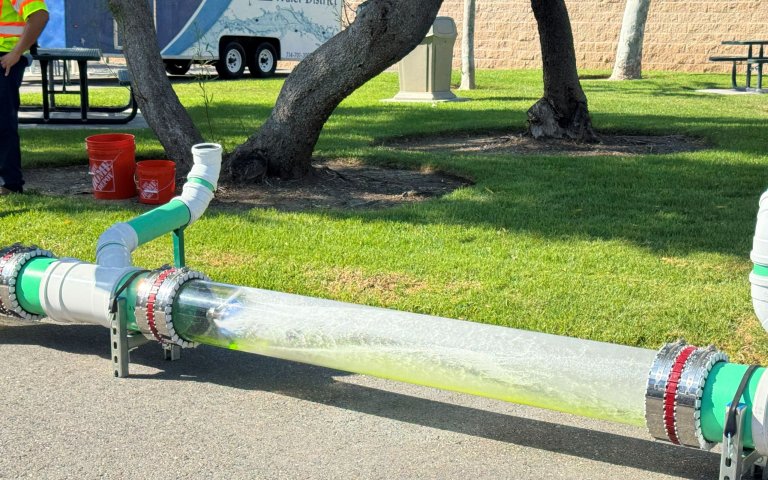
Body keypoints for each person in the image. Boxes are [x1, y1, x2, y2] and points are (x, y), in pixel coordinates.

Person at [0, 0, 48, 195]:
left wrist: (16, 53)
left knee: (3, 122)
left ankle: (10, 184)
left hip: (5, 59)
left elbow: (39, 16)